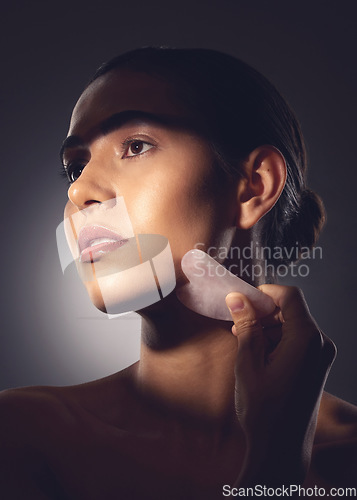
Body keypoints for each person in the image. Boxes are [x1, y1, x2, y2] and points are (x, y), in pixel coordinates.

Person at [1, 47, 356, 499]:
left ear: (255, 185)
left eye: (135, 146)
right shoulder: (22, 435)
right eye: (75, 167)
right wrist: (275, 463)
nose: (81, 191)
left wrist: (282, 451)